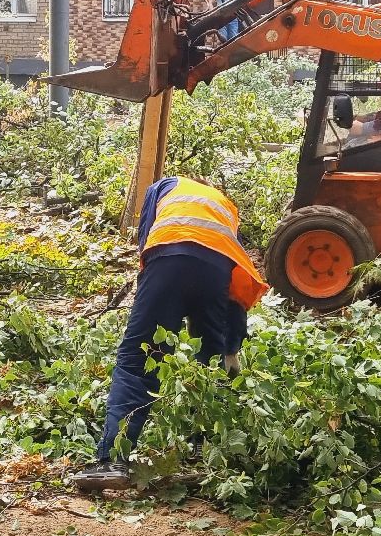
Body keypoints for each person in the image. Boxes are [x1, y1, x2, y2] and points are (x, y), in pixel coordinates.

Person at [70, 176, 268, 492]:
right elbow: (235, 285)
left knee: (138, 360)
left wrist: (152, 296)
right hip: (215, 272)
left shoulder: (164, 187)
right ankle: (208, 450)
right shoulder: (225, 209)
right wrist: (230, 349)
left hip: (169, 259)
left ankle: (111, 462)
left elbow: (147, 241)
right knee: (210, 360)